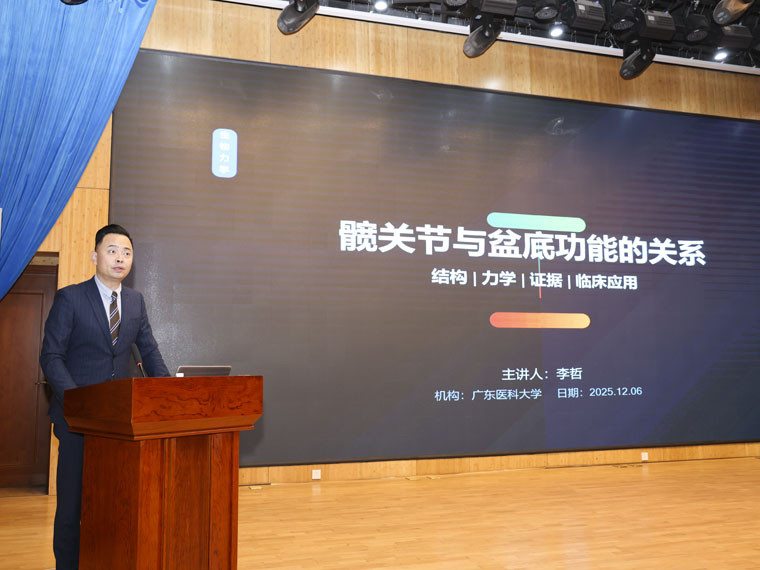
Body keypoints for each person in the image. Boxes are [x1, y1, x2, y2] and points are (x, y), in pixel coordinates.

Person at [40, 224, 169, 570]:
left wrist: (170, 393)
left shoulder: (135, 301)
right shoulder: (71, 298)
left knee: (113, 502)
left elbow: (149, 352)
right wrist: (79, 403)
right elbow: (51, 356)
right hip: (76, 421)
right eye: (112, 251)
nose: (120, 258)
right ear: (95, 256)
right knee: (72, 505)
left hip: (118, 423)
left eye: (126, 252)